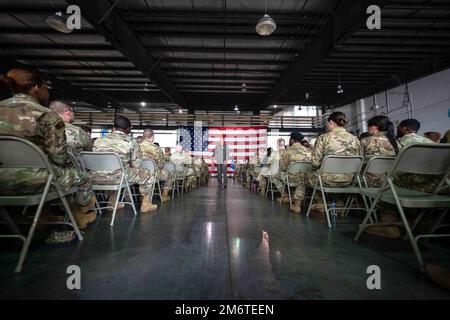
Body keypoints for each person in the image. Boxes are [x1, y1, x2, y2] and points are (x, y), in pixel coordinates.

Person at [0, 67, 96, 240]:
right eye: (45, 86)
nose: (47, 91)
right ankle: (73, 220)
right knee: (81, 177)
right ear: (37, 88)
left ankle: (28, 217)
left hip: (2, 179)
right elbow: (59, 157)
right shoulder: (46, 116)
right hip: (36, 180)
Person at [93, 116, 157, 213]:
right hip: (119, 176)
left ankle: (112, 202)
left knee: (111, 172)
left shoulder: (99, 141)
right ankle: (145, 204)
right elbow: (137, 164)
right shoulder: (131, 141)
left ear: (114, 127)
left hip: (96, 177)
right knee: (147, 173)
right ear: (128, 128)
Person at [309, 111, 361, 212]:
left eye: (327, 123)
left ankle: (321, 203)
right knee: (339, 175)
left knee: (309, 174)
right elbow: (359, 160)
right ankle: (339, 203)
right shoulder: (355, 139)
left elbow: (315, 163)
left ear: (331, 122)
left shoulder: (323, 138)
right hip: (350, 179)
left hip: (327, 179)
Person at [360, 115, 400, 238]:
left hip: (371, 180)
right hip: (394, 181)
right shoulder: (396, 143)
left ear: (372, 127)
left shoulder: (365, 141)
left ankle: (387, 226)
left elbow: (357, 161)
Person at [275, 132, 312, 213]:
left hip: (292, 178)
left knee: (277, 176)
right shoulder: (308, 151)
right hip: (308, 178)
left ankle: (286, 196)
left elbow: (283, 168)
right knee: (302, 178)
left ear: (291, 140)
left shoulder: (287, 151)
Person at [139, 129, 174, 202]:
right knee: (170, 174)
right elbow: (161, 165)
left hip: (139, 173)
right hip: (153, 173)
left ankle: (143, 196)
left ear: (143, 136)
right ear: (152, 137)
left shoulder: (136, 146)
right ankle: (164, 195)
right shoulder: (156, 148)